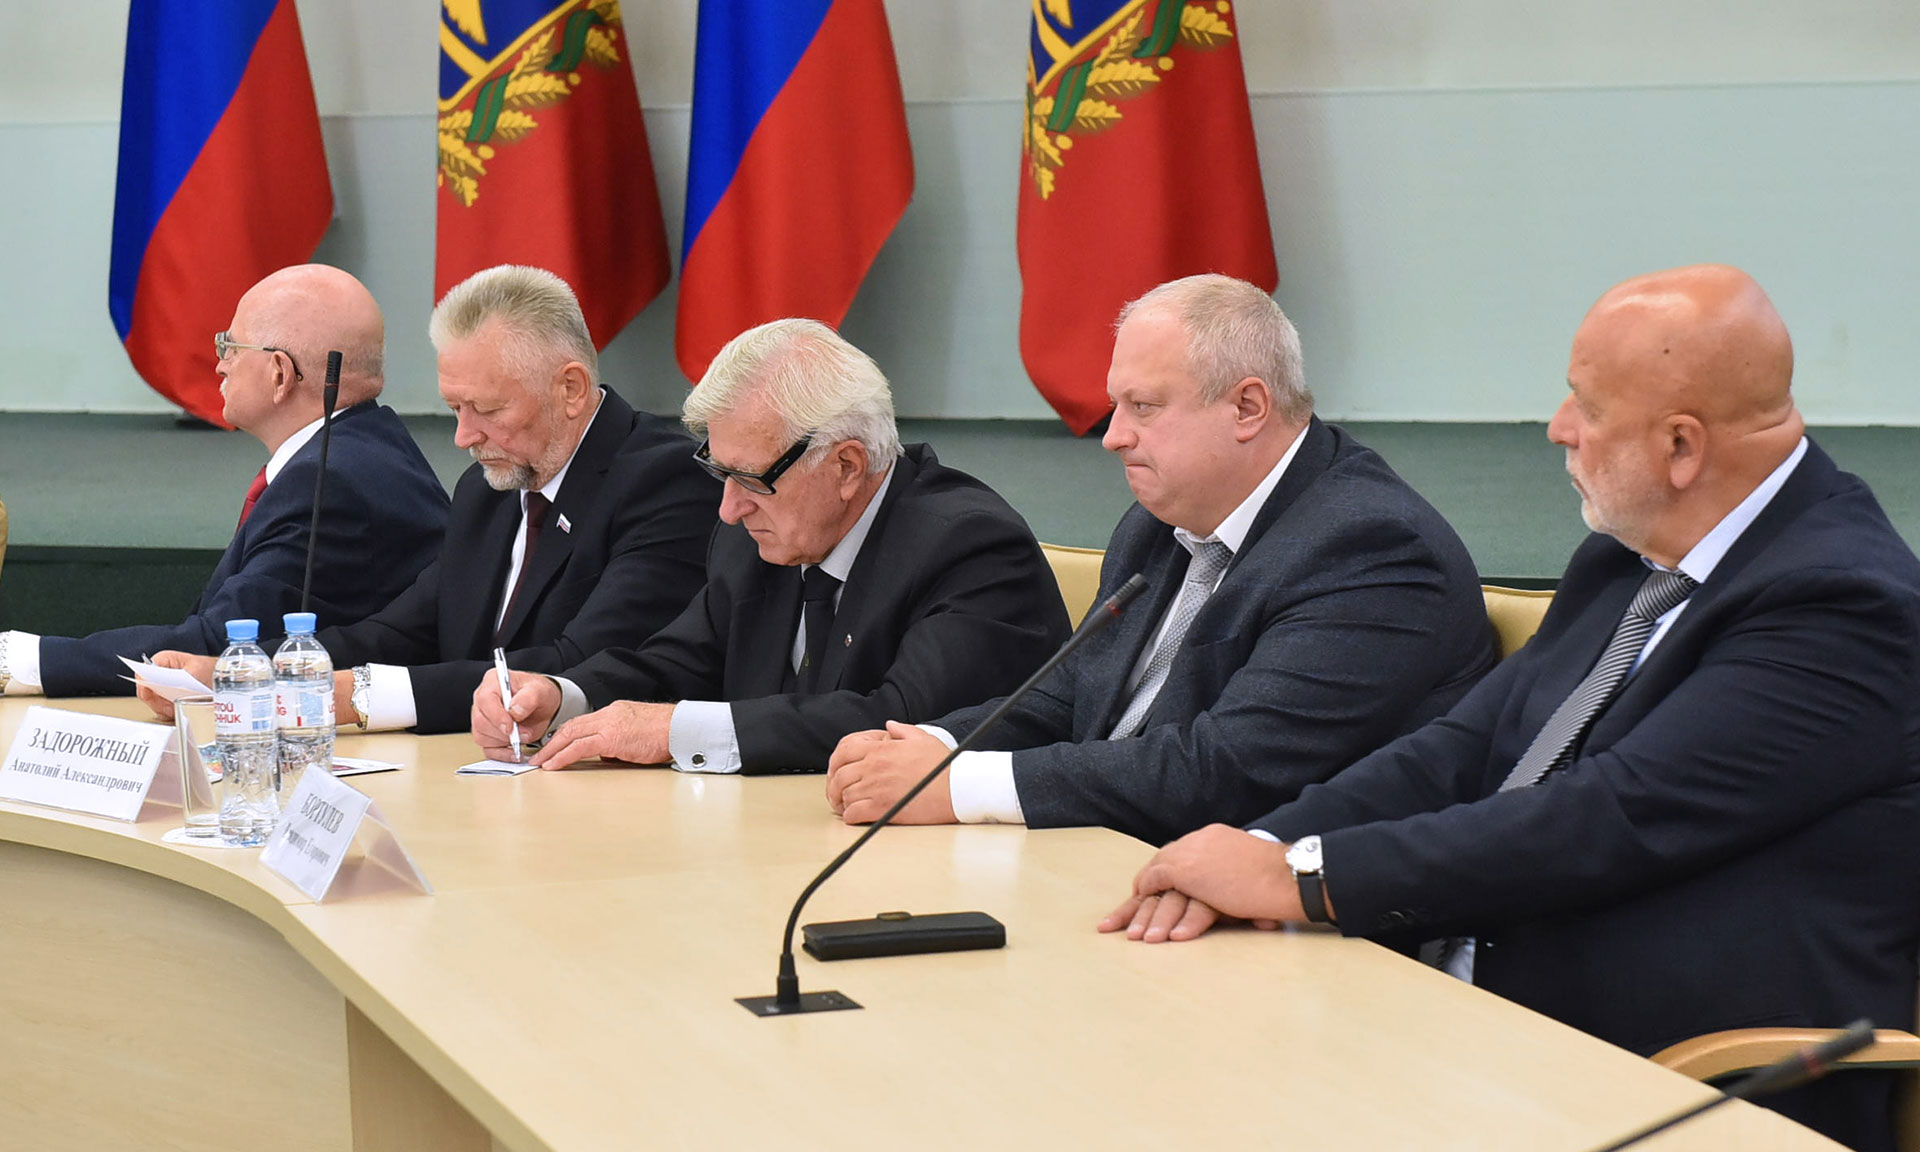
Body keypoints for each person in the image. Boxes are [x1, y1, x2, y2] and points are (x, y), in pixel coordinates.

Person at [1101, 265, 1920, 1152]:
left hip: (1674, 1076)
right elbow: (1463, 745)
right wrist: (1259, 847)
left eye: (1587, 408)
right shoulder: (1631, 556)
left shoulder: (1845, 605)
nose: (1558, 428)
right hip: (1464, 1016)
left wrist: (1303, 878)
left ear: (1682, 447)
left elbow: (1615, 813)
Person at [824, 274, 1495, 845]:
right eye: (1116, 405)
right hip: (1116, 861)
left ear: (1248, 407)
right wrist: (934, 747)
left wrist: (956, 785)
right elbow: (1070, 695)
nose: (1114, 437)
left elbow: (1227, 771)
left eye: (1143, 407)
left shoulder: (1370, 549)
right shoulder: (1160, 521)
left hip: (1280, 919)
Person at [470, 318, 1072, 774]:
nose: (729, 508)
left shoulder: (970, 547)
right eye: (719, 472)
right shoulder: (758, 536)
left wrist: (674, 731)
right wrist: (563, 697)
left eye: (751, 479)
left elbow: (898, 723)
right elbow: (675, 664)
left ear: (846, 466)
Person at [138, 265, 718, 734]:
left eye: (486, 409)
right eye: (454, 409)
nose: (463, 437)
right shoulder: (486, 490)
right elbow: (399, 632)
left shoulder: (664, 482)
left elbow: (580, 664)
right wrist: (247, 673)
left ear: (570, 388)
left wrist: (354, 696)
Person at [0, 264, 448, 698]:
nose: (220, 365)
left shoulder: (332, 484)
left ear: (279, 374)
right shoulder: (364, 448)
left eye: (230, 346)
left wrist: (23, 660)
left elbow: (222, 648)